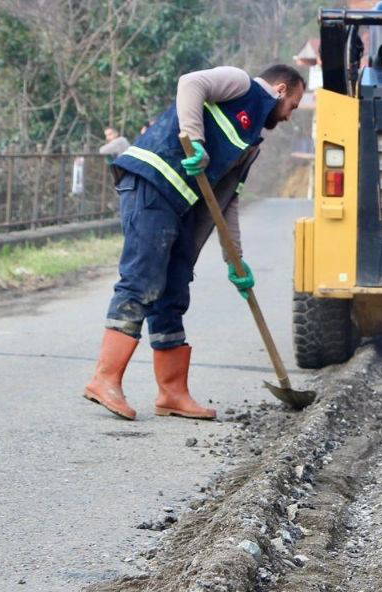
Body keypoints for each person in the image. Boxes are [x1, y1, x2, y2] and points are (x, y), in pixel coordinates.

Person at [83, 64, 306, 421]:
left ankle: (172, 393)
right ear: (281, 89)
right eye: (293, 105)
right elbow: (190, 83)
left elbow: (227, 201)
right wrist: (195, 139)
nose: (291, 116)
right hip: (152, 182)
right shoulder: (240, 84)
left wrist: (236, 260)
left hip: (178, 206)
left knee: (172, 292)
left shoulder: (251, 145)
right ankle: (105, 378)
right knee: (143, 279)